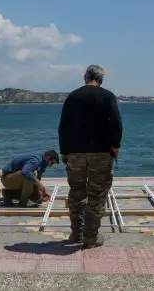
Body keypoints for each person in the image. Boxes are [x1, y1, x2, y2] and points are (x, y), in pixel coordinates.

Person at [58, 64, 122, 249]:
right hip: (101, 153)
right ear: (101, 79)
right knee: (97, 195)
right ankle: (90, 237)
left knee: (76, 193)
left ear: (85, 77)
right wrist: (115, 146)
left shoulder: (73, 96)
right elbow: (116, 123)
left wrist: (64, 151)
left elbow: (63, 126)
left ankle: (76, 233)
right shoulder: (107, 96)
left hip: (75, 153)